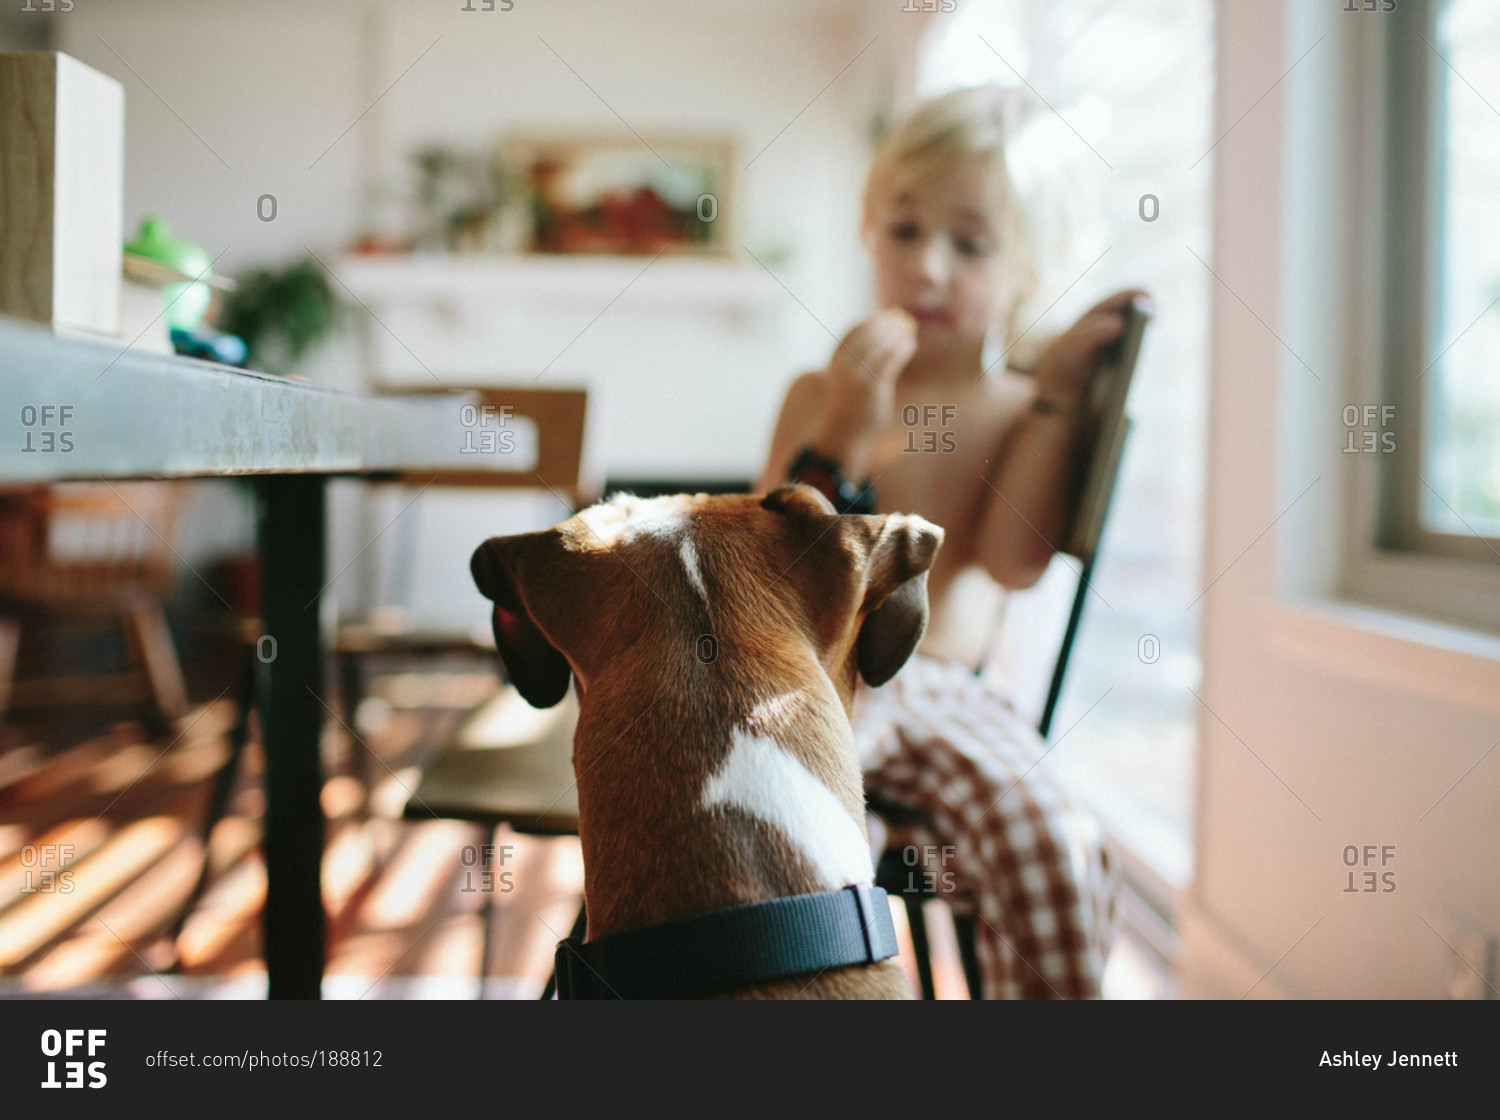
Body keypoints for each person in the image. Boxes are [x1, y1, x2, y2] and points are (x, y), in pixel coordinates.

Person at [752, 85, 1148, 999]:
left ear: (1027, 271)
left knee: (1054, 833)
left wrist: (1053, 401)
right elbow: (771, 567)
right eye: (903, 231)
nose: (926, 268)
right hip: (803, 676)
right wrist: (845, 436)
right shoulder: (818, 393)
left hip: (937, 690)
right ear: (867, 232)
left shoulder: (1016, 406)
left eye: (969, 245)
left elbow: (1014, 561)